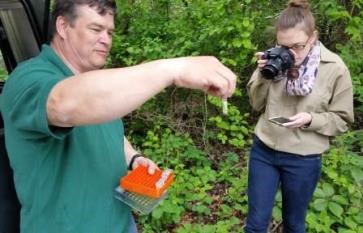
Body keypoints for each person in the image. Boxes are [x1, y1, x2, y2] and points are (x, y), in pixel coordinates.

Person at [0, 1, 236, 233]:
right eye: (95, 29)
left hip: (120, 222)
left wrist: (133, 158)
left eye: (110, 31)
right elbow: (63, 104)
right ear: (63, 26)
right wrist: (173, 69)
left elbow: (105, 126)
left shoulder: (99, 82)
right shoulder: (27, 78)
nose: (106, 39)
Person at [246, 0, 354, 232]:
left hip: (303, 158)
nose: (290, 54)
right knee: (255, 225)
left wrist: (311, 119)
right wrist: (264, 74)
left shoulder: (335, 68)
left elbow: (342, 119)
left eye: (297, 46)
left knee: (294, 225)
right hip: (265, 150)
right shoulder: (274, 58)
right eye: (284, 46)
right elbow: (256, 105)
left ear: (313, 38)